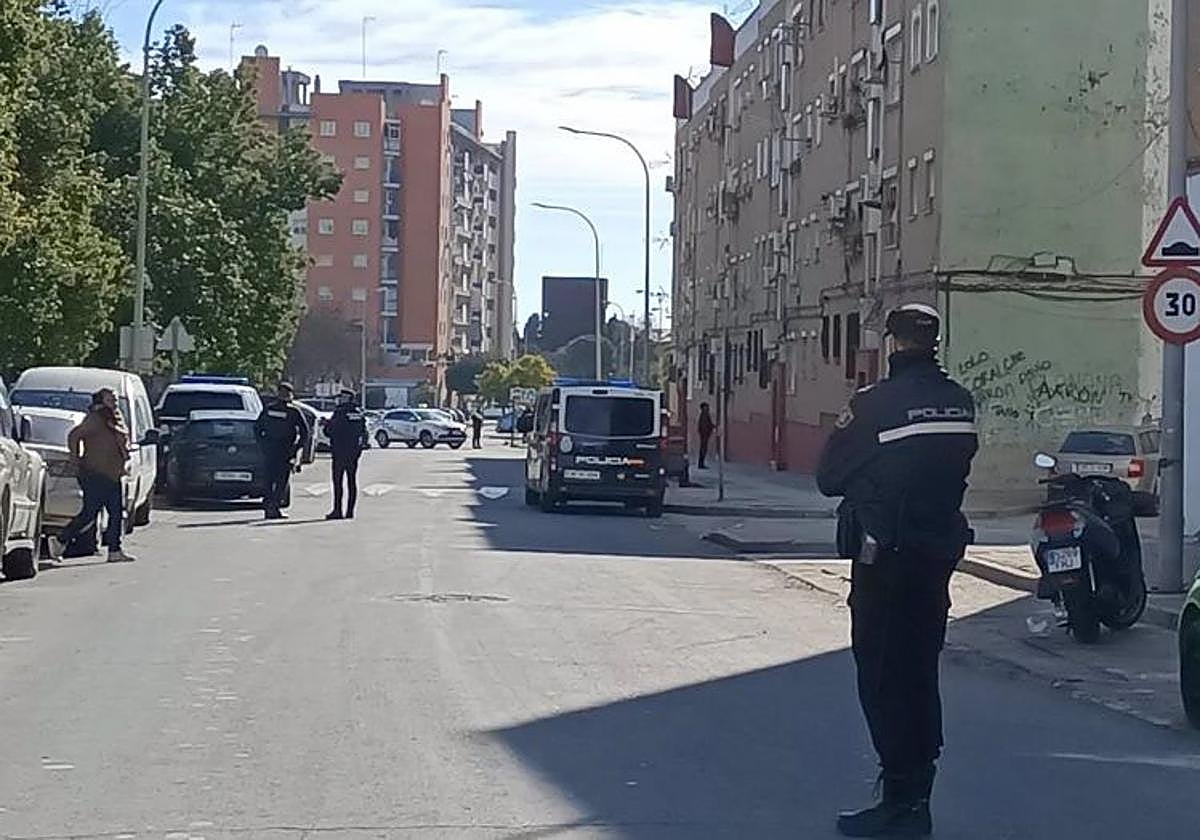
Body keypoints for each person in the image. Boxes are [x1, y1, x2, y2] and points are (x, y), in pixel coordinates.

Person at [816, 304, 977, 838]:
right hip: (936, 558)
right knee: (920, 671)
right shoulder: (959, 402)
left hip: (885, 558)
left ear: (892, 343)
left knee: (883, 676)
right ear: (933, 342)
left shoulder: (874, 404)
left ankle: (899, 801)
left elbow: (829, 476)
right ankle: (917, 800)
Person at [50, 388, 135, 563]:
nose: (114, 400)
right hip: (95, 473)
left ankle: (114, 550)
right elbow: (74, 435)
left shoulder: (115, 417)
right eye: (110, 398)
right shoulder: (95, 419)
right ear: (100, 401)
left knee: (116, 513)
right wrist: (75, 459)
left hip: (113, 474)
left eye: (115, 398)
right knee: (90, 513)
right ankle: (60, 539)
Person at [255, 382, 310, 520]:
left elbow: (257, 429)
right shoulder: (293, 411)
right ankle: (274, 507)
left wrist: (263, 445)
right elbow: (305, 433)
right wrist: (296, 448)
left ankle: (270, 508)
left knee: (270, 481)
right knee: (281, 482)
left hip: (273, 450)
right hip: (284, 451)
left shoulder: (269, 409)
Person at [324, 389, 368, 520]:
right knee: (352, 481)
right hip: (353, 452)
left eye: (342, 397)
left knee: (338, 482)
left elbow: (330, 431)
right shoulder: (359, 413)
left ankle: (337, 510)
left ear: (347, 398)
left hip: (339, 451)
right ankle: (350, 511)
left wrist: (326, 425)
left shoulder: (340, 412)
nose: (340, 399)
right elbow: (364, 433)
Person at [696, 402, 715, 469]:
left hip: (704, 434)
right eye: (706, 407)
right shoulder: (704, 415)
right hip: (704, 435)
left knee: (703, 449)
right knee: (703, 449)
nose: (708, 408)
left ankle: (701, 463)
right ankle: (701, 464)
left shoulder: (704, 414)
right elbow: (705, 425)